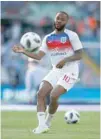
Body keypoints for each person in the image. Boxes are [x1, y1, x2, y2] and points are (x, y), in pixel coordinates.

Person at [12, 11, 83, 134]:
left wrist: (65, 59)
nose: (59, 21)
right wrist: (23, 51)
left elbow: (80, 54)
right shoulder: (48, 38)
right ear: (54, 20)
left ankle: (48, 121)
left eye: (62, 19)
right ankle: (42, 125)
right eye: (57, 18)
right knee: (40, 93)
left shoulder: (72, 36)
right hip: (56, 70)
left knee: (54, 95)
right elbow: (39, 56)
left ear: (66, 22)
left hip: (70, 71)